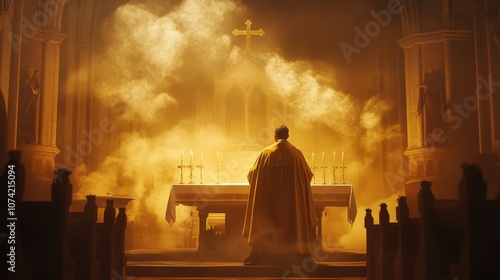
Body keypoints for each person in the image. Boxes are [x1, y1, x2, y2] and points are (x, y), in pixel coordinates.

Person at [242, 125, 317, 265]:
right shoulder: (296, 154)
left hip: (269, 201)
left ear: (275, 136)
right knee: (297, 218)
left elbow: (252, 175)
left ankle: (258, 253)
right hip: (293, 202)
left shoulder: (266, 153)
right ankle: (302, 253)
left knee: (263, 216)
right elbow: (307, 175)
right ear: (288, 136)